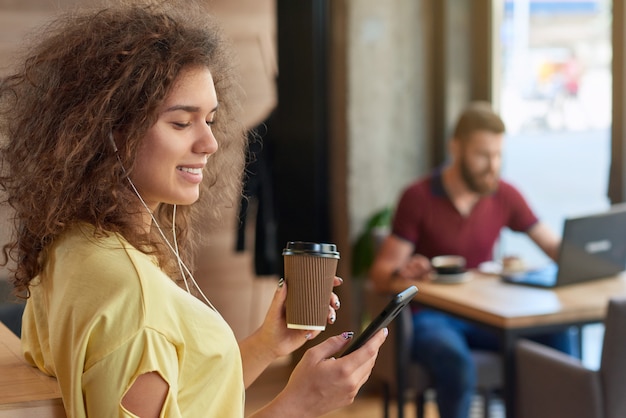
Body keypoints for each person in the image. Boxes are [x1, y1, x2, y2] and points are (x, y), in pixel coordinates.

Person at [0, 3, 387, 417]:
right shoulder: (134, 304)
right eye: (182, 123)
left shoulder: (73, 243)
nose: (210, 143)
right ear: (109, 133)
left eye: (210, 120)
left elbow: (189, 396)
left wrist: (265, 345)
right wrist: (300, 405)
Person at [369, 101, 575, 418]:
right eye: (483, 155)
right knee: (456, 364)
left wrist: (589, 254)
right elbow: (380, 274)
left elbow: (550, 244)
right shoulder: (419, 196)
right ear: (456, 148)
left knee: (558, 336)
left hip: (487, 314)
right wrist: (404, 271)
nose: (493, 166)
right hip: (431, 315)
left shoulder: (505, 194)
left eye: (498, 155)